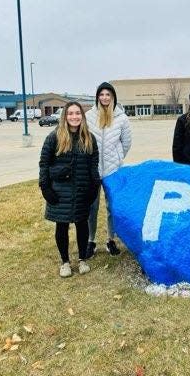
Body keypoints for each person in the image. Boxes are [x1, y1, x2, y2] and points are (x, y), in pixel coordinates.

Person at [39, 102, 100, 278]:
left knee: (82, 224)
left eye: (78, 113)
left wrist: (94, 186)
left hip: (82, 189)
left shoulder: (89, 138)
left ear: (82, 116)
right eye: (71, 114)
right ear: (65, 116)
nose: (74, 117)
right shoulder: (54, 137)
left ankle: (82, 259)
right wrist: (45, 187)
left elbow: (93, 165)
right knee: (62, 225)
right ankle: (65, 262)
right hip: (60, 191)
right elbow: (44, 163)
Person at [85, 82, 132, 257]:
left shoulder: (121, 117)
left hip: (113, 170)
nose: (104, 98)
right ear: (97, 96)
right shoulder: (89, 116)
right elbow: (85, 140)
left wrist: (118, 157)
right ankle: (91, 241)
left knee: (112, 207)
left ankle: (111, 240)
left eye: (108, 95)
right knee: (92, 207)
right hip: (93, 170)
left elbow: (126, 142)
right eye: (102, 94)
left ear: (113, 97)